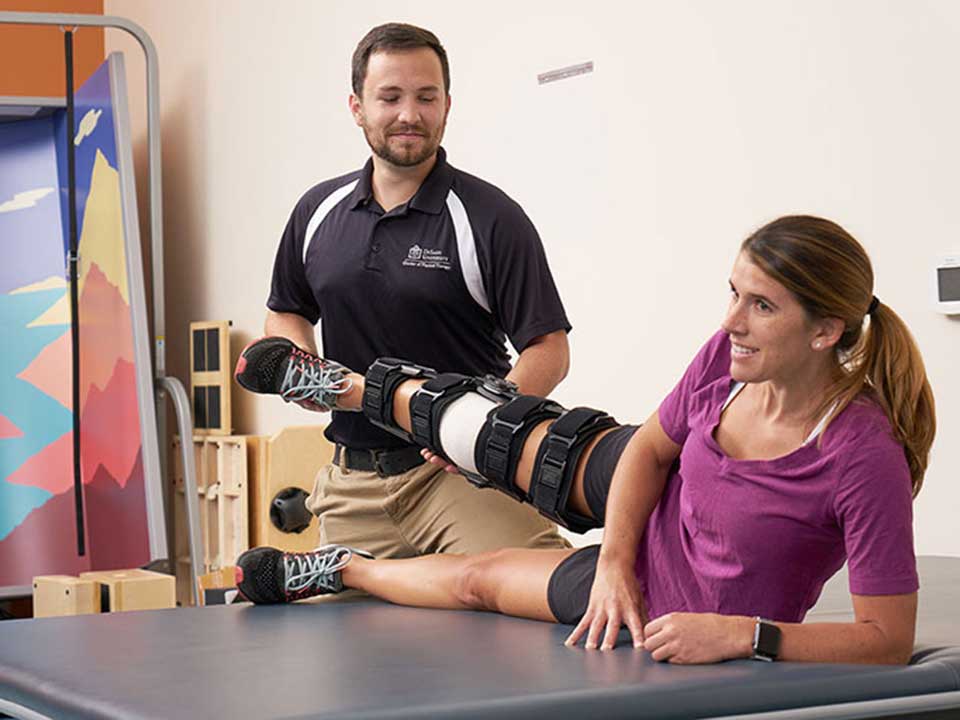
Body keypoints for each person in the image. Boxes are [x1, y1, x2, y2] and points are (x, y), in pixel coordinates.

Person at [237, 215, 936, 665]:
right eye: (733, 293)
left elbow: (886, 640)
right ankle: (349, 387)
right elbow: (652, 452)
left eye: (761, 305)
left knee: (480, 581)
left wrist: (745, 634)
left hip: (659, 605)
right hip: (657, 480)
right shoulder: (727, 362)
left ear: (826, 331)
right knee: (506, 436)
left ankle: (336, 568)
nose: (731, 322)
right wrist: (612, 565)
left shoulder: (861, 455)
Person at [264, 23, 573, 558]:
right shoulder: (317, 212)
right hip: (352, 485)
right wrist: (304, 366)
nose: (409, 114)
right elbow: (286, 311)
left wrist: (484, 428)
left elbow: (549, 350)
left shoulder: (491, 217)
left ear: (446, 105)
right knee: (326, 633)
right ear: (357, 106)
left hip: (460, 480)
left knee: (542, 605)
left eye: (426, 97)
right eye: (390, 97)